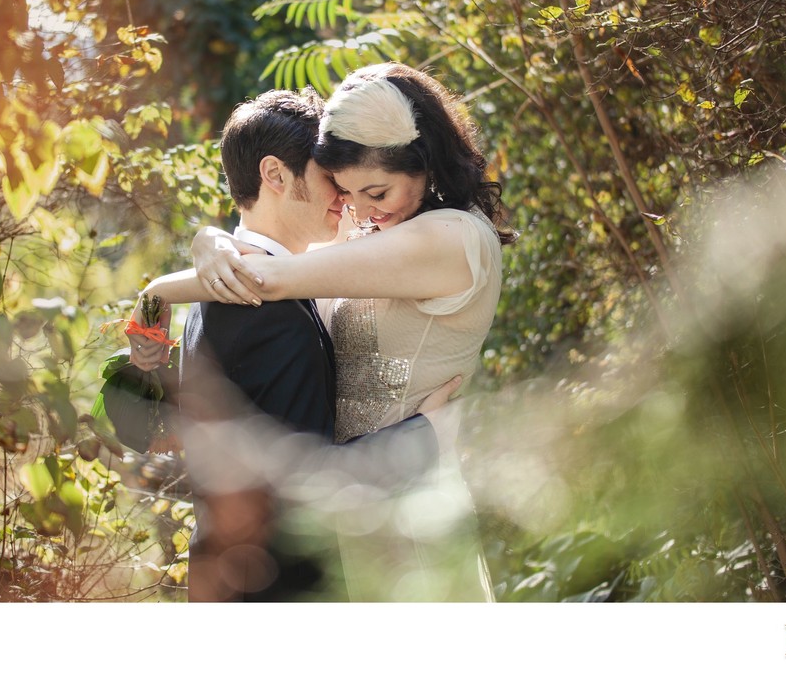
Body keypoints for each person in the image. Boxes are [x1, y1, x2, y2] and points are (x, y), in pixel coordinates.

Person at [135, 62, 513, 600]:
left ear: (423, 163)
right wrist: (207, 244)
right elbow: (268, 263)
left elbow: (268, 274)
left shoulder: (450, 237)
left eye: (376, 193)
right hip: (345, 514)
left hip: (405, 509)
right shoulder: (377, 235)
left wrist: (168, 281)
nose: (359, 211)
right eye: (347, 192)